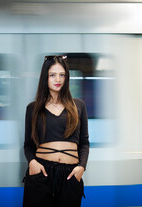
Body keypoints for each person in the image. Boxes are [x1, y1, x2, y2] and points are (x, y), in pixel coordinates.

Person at [23, 55, 89, 207]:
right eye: (52, 75)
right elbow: (28, 144)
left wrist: (81, 167)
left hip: (70, 175)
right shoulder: (33, 108)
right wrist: (32, 162)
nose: (58, 79)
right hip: (41, 173)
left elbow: (84, 142)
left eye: (62, 75)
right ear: (45, 77)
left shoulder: (78, 106)